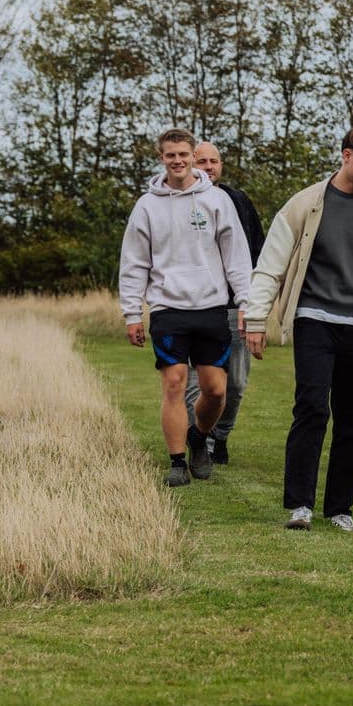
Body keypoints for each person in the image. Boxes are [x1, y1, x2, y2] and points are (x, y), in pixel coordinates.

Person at [244, 126, 353, 532]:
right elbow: (270, 266)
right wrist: (256, 320)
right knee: (312, 408)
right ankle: (300, 505)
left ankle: (340, 509)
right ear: (346, 155)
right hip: (313, 318)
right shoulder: (304, 204)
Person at [119, 128, 252, 487]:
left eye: (183, 154)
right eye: (170, 155)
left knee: (216, 390)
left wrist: (245, 303)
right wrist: (132, 313)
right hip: (167, 308)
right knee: (174, 383)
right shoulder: (147, 206)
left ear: (193, 156)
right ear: (161, 158)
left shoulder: (216, 200)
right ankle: (177, 461)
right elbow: (133, 263)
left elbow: (236, 256)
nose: (177, 161)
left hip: (211, 307)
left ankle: (198, 437)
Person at [185, 141, 265, 465]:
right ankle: (199, 441)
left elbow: (257, 252)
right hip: (196, 306)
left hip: (235, 307)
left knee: (236, 382)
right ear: (191, 164)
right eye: (201, 161)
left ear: (221, 165)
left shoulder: (239, 201)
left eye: (213, 161)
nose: (208, 166)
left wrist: (255, 302)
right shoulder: (180, 203)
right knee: (197, 380)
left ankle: (220, 434)